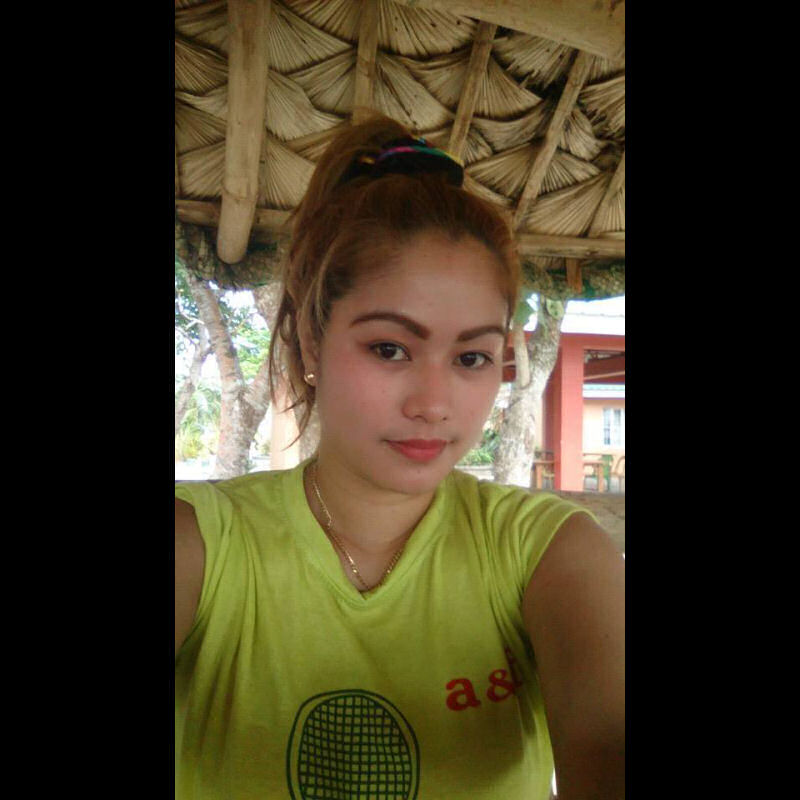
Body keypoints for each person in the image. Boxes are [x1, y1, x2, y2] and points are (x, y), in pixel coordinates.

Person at [175, 114, 624, 800]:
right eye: (390, 348)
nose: (434, 404)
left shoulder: (549, 553)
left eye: (471, 357)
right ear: (310, 342)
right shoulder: (203, 547)